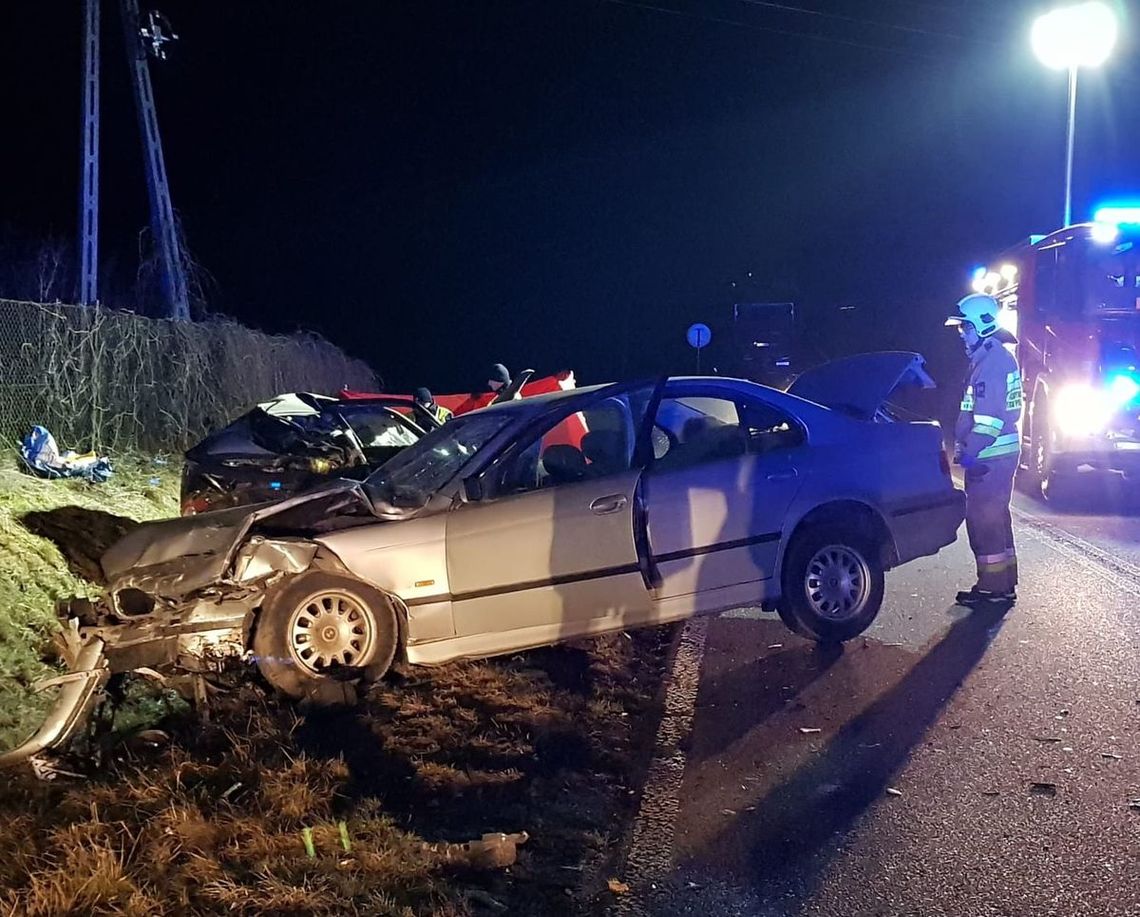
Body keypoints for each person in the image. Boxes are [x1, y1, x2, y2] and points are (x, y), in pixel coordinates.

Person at [945, 293, 1023, 606]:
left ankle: (992, 588)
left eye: (965, 328)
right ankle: (1003, 584)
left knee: (984, 522)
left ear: (982, 325)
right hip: (996, 458)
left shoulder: (991, 364)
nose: (962, 335)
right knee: (997, 521)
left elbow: (988, 422)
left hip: (989, 459)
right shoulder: (993, 359)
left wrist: (969, 453)